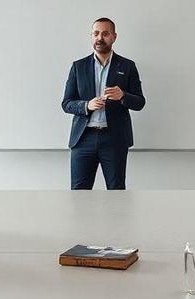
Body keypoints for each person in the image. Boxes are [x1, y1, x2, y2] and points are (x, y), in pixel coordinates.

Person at [61, 18, 145, 190]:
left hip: (114, 140)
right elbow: (67, 103)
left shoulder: (127, 66)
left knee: (116, 193)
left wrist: (123, 96)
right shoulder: (79, 66)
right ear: (91, 36)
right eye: (96, 33)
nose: (100, 38)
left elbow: (139, 102)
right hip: (83, 139)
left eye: (105, 34)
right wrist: (87, 106)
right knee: (79, 195)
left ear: (114, 37)